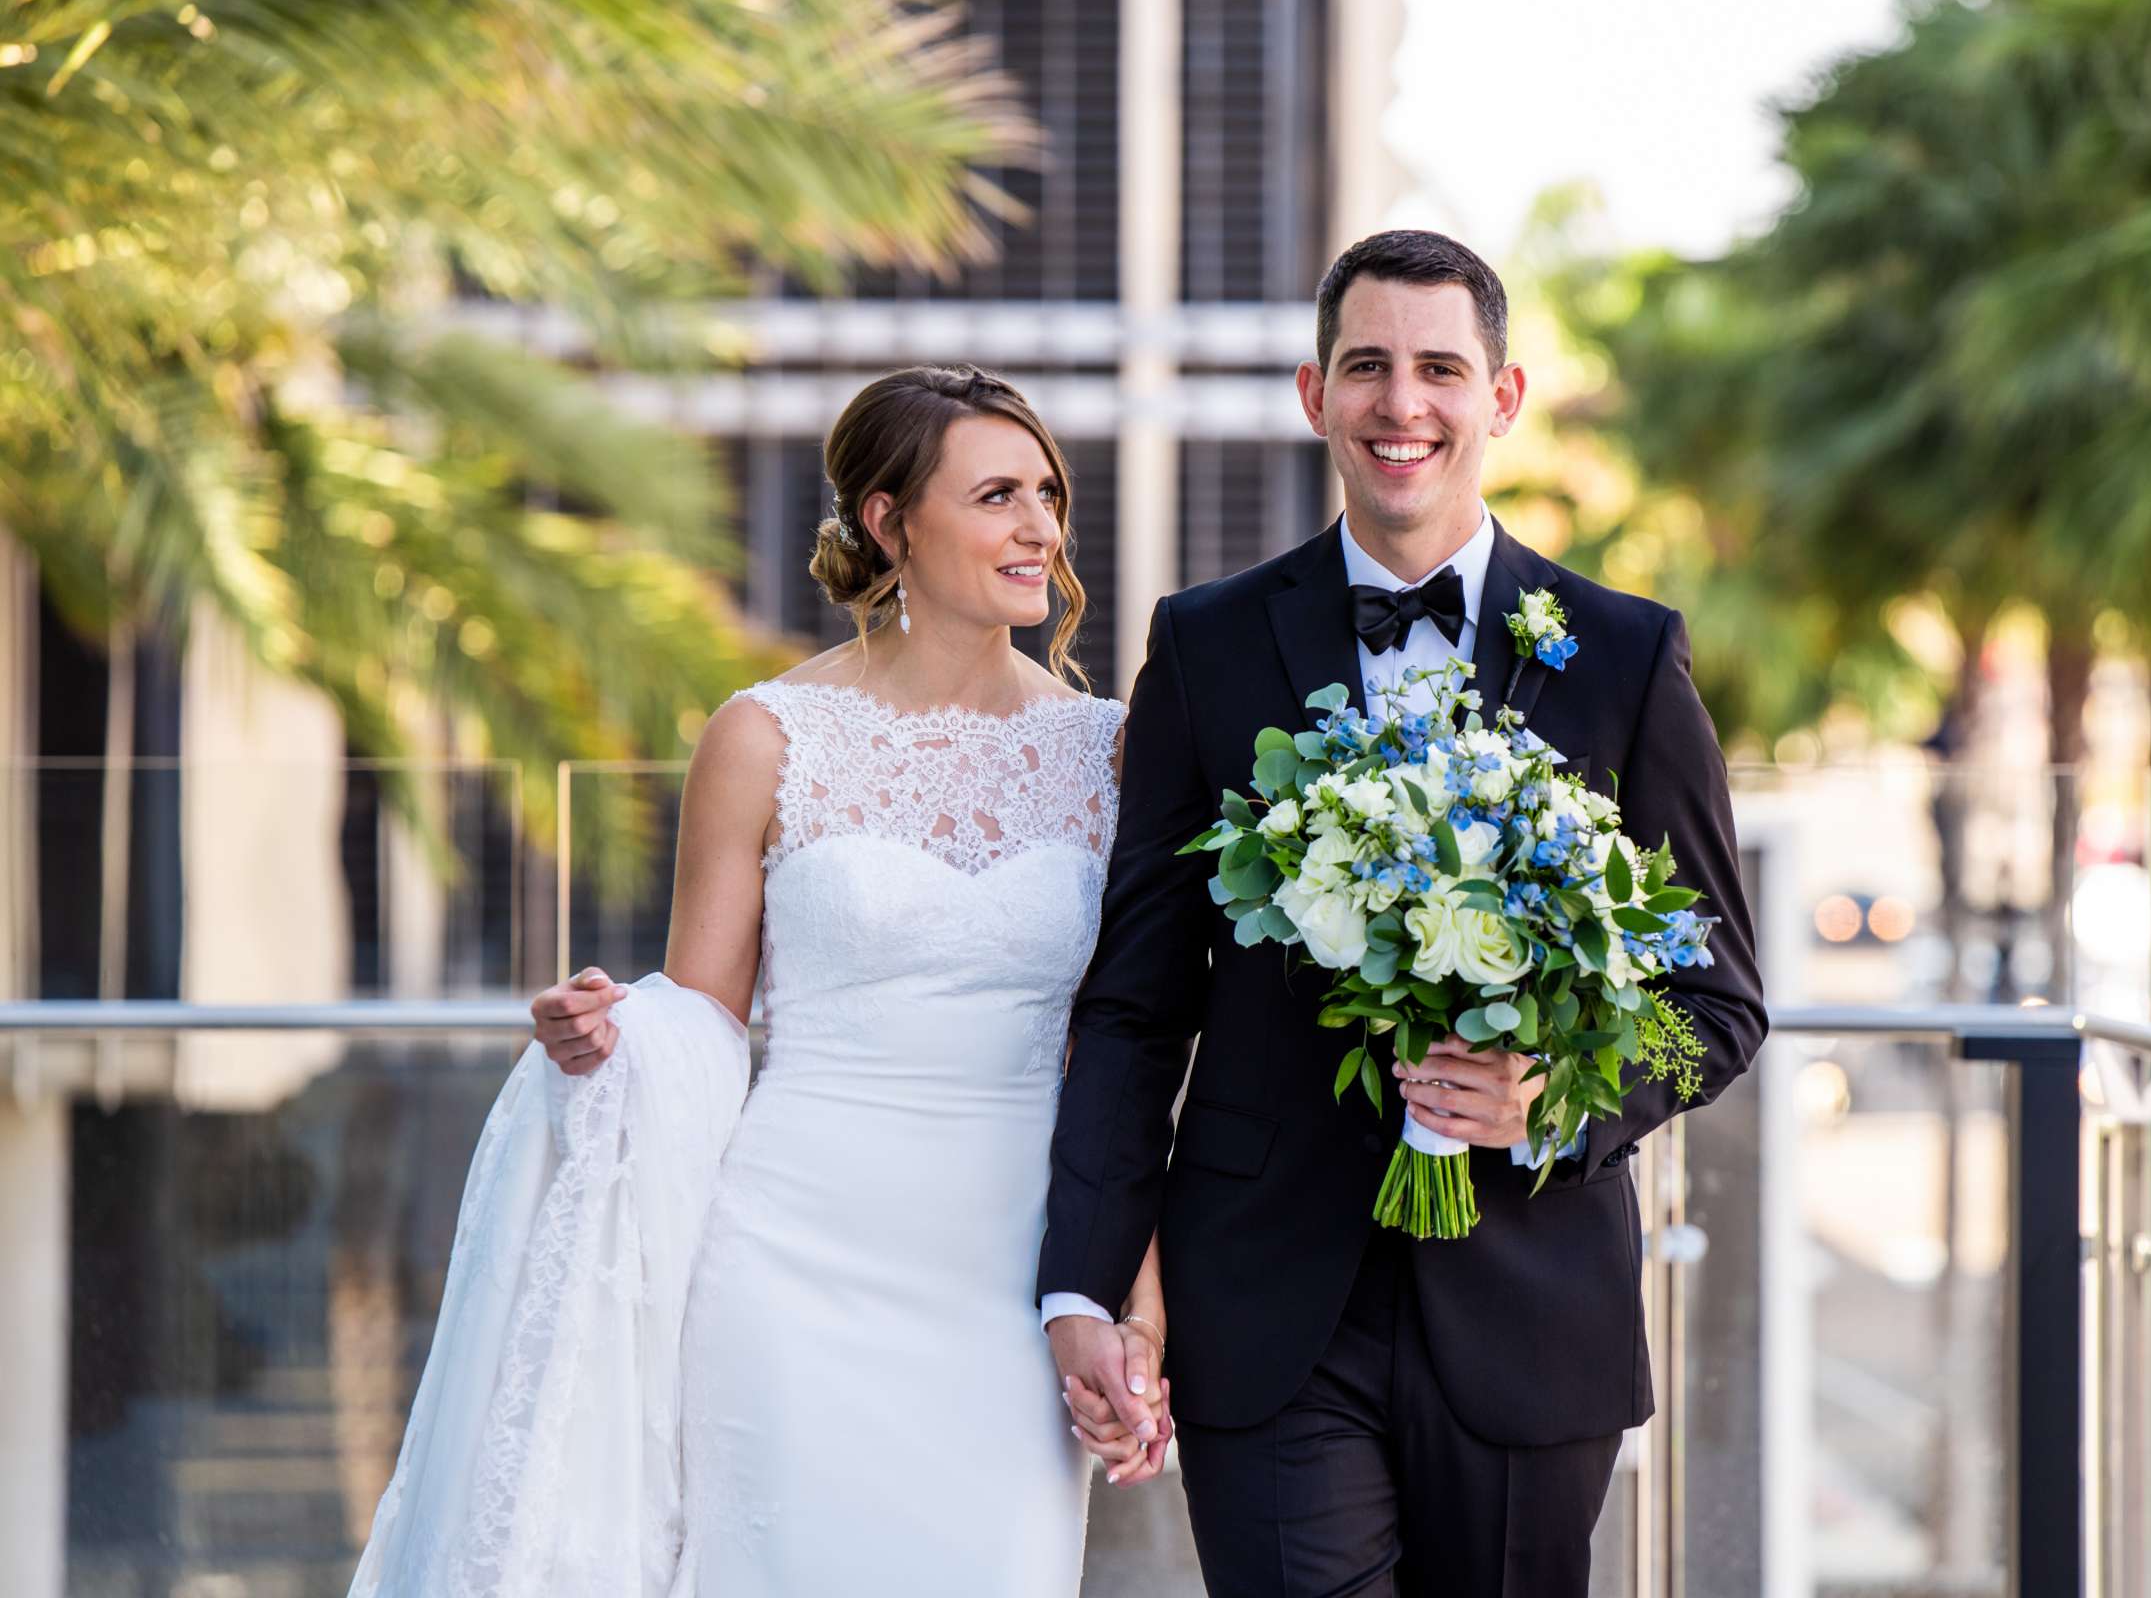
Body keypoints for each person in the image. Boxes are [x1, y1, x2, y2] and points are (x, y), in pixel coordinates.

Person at [351, 365, 1165, 1598]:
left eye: (1047, 493)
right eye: (997, 495)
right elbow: (701, 1022)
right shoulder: (764, 734)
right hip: (790, 1269)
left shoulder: (1105, 753)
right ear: (889, 522)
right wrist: (604, 1039)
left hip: (1009, 1289)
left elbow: (1121, 1057)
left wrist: (1133, 1310)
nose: (1040, 528)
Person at [1041, 230, 1769, 1597]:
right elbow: (1137, 1002)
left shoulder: (1621, 651)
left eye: (1440, 368)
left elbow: (1721, 1002)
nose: (1402, 404)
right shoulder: (1204, 644)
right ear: (1314, 395)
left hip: (1532, 1308)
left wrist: (1557, 1095)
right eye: (1367, 366)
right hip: (1264, 1304)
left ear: (1503, 397)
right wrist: (1086, 1275)